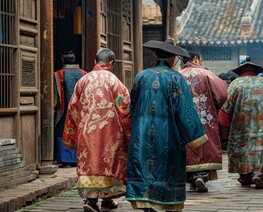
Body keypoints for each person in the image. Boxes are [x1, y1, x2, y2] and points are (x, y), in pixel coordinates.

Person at [126, 40, 208, 212]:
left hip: (142, 133)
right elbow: (184, 109)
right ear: (172, 58)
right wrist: (195, 135)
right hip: (168, 135)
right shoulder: (176, 78)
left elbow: (132, 106)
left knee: (144, 168)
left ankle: (147, 203)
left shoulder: (140, 76)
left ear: (155, 55)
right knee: (166, 169)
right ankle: (163, 202)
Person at [62, 48, 132, 212]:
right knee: (108, 163)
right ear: (111, 63)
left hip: (88, 131)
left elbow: (73, 108)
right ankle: (105, 200)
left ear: (95, 62)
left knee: (90, 163)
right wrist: (128, 130)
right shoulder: (114, 81)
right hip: (110, 132)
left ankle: (91, 200)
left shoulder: (83, 81)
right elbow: (125, 107)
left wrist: (78, 128)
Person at [218, 62, 263, 189]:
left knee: (242, 151)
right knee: (259, 150)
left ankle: (245, 176)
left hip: (240, 127)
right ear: (256, 70)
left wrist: (225, 124)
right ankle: (258, 173)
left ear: (240, 71)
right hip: (260, 127)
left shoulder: (235, 84)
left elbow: (227, 107)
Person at [180, 51, 228, 193]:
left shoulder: (178, 75)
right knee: (205, 144)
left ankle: (192, 176)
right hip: (205, 117)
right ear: (196, 59)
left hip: (184, 119)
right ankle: (201, 174)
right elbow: (222, 94)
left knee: (187, 145)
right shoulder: (207, 74)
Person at [54, 50, 87, 167]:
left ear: (62, 60)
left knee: (61, 131)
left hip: (64, 111)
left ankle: (65, 159)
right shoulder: (84, 74)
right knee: (79, 131)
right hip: (80, 111)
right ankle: (77, 158)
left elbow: (55, 98)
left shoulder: (58, 74)